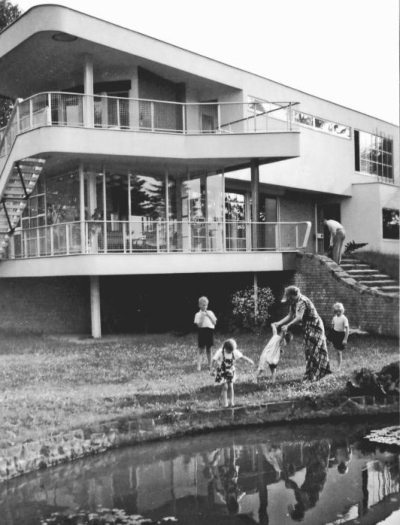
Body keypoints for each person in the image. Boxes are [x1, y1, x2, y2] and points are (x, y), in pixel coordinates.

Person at [275, 286, 332, 381]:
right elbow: (290, 315)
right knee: (309, 350)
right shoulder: (294, 302)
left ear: (294, 295)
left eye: (290, 297)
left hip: (315, 326)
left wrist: (288, 325)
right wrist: (279, 323)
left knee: (315, 349)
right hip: (307, 327)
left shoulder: (302, 301)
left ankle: (318, 374)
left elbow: (299, 317)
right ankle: (311, 374)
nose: (289, 299)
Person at [212, 338, 254, 407]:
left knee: (231, 386)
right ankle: (225, 403)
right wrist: (212, 369)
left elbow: (241, 357)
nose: (230, 352)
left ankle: (232, 402)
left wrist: (249, 360)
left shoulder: (234, 351)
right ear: (225, 348)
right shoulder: (220, 351)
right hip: (222, 371)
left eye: (231, 351)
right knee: (225, 386)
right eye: (229, 351)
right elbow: (214, 360)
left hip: (230, 371)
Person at [194, 296, 217, 372]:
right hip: (202, 331)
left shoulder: (210, 312)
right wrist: (202, 317)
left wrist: (209, 316)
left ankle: (210, 365)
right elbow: (199, 325)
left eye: (206, 305)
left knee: (209, 349)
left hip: (210, 331)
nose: (205, 306)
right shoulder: (198, 314)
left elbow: (214, 322)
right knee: (200, 349)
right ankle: (199, 365)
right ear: (199, 305)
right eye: (203, 305)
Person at [328, 302, 349, 372]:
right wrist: (329, 337)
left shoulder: (344, 318)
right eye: (336, 311)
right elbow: (332, 327)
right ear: (335, 311)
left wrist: (345, 339)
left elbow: (347, 329)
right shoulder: (334, 318)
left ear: (342, 310)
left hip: (341, 335)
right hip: (335, 334)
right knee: (335, 350)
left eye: (339, 311)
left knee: (339, 352)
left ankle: (339, 367)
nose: (338, 312)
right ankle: (332, 364)